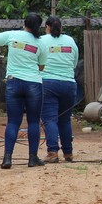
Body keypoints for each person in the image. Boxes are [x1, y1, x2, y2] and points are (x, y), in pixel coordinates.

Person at [0, 13, 47, 169]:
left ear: (24, 23)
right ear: (39, 26)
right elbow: (41, 67)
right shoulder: (41, 44)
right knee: (33, 122)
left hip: (13, 83)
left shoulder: (12, 35)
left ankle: (7, 159)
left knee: (13, 122)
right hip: (33, 84)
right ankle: (32, 158)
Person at [39, 16, 79, 163]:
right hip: (69, 84)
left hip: (48, 83)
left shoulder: (41, 40)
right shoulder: (70, 41)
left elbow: (37, 61)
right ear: (61, 27)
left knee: (50, 119)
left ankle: (52, 152)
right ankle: (68, 153)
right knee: (65, 120)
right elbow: (74, 63)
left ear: (47, 27)